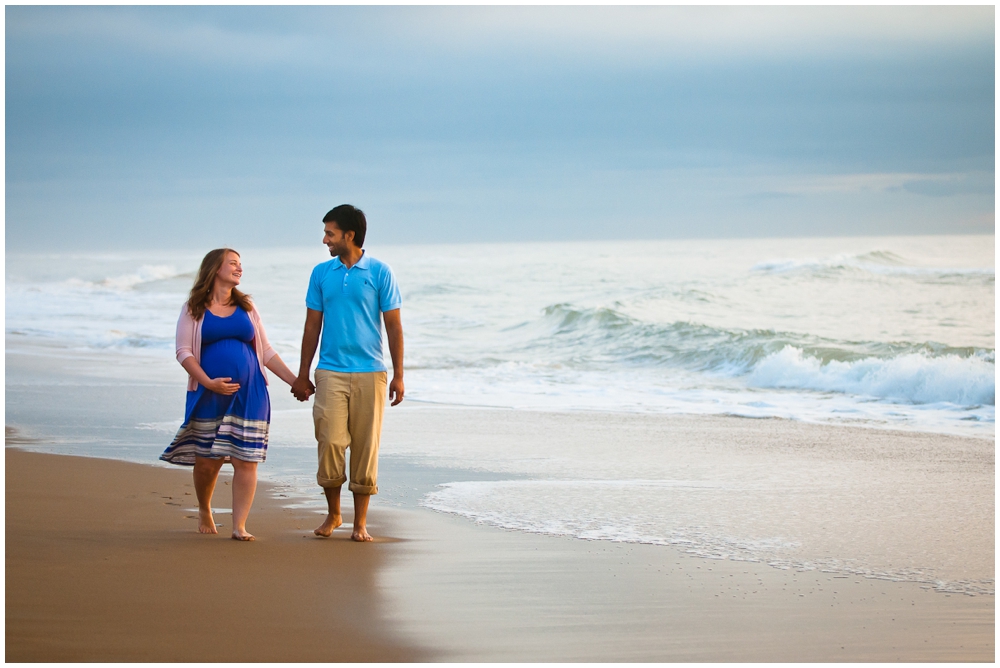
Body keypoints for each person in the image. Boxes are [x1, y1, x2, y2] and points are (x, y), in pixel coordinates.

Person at [160, 248, 298, 541]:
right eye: (233, 263)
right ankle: (205, 508)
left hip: (251, 394)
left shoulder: (247, 306)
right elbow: (183, 351)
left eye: (240, 264)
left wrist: (294, 381)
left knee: (246, 459)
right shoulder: (193, 308)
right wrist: (208, 382)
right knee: (207, 461)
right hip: (209, 393)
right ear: (215, 269)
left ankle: (239, 526)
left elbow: (266, 351)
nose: (239, 269)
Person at [291, 204, 404, 542]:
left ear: (349, 236)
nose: (325, 239)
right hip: (330, 371)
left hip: (371, 372)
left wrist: (398, 374)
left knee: (366, 447)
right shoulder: (321, 273)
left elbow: (394, 327)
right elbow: (312, 325)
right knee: (329, 441)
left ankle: (360, 524)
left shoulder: (380, 272)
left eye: (330, 233)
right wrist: (302, 374)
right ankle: (334, 514)